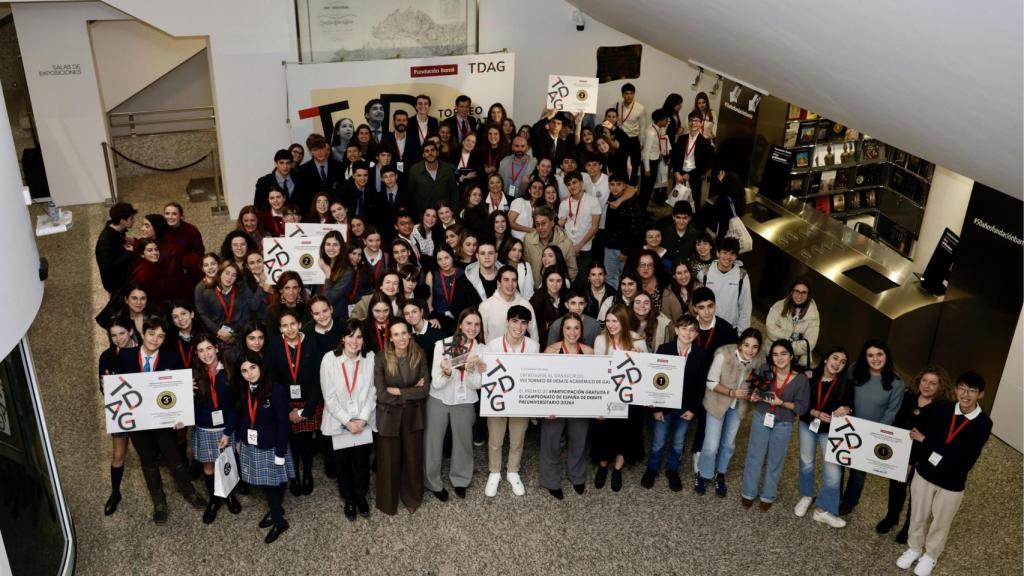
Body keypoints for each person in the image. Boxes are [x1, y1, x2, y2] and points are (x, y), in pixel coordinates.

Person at [895, 372, 992, 576]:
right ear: (956, 389)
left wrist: (927, 442)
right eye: (962, 389)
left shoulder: (983, 423)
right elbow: (939, 441)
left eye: (972, 391)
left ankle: (930, 556)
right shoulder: (943, 409)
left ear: (980, 395)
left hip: (952, 482)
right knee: (917, 515)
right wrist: (932, 445)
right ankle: (914, 548)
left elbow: (966, 457)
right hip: (925, 473)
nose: (966, 395)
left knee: (941, 521)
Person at [113, 317, 206, 523]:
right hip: (137, 422)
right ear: (143, 334)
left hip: (164, 420)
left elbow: (179, 390)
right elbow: (118, 387)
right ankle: (159, 502)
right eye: (152, 334)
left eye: (161, 336)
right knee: (148, 462)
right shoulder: (125, 356)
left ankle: (188, 491)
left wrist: (182, 404)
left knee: (175, 458)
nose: (155, 339)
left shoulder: (171, 359)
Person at [877, 366, 954, 542]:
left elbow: (937, 439)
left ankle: (908, 527)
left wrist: (912, 462)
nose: (927, 386)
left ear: (940, 387)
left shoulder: (943, 409)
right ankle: (892, 517)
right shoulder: (908, 397)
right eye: (924, 381)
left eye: (933, 383)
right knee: (895, 488)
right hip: (899, 453)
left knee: (917, 494)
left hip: (922, 458)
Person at [740, 338, 810, 511]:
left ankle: (768, 494)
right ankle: (748, 491)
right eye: (775, 355)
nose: (779, 358)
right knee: (754, 456)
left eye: (783, 354)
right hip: (761, 416)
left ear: (791, 356)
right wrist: (754, 396)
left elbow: (801, 408)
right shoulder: (765, 369)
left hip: (784, 423)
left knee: (775, 460)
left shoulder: (801, 380)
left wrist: (782, 403)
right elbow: (754, 390)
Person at [641, 314, 709, 491]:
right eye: (684, 328)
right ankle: (652, 468)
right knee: (658, 441)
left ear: (696, 334)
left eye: (692, 330)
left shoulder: (701, 355)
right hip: (663, 408)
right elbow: (654, 379)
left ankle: (672, 470)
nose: (688, 333)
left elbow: (701, 386)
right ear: (677, 330)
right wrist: (655, 408)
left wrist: (693, 410)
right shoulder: (664, 349)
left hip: (685, 409)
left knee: (678, 442)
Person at [232, 350, 294, 543]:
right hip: (252, 443)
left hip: (273, 445)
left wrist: (281, 452)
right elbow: (243, 417)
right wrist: (240, 440)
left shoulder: (276, 390)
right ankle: (277, 509)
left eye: (252, 367)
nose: (249, 373)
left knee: (272, 484)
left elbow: (284, 423)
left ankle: (279, 521)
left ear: (260, 366)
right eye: (244, 371)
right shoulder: (244, 389)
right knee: (269, 483)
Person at [426, 309, 487, 500]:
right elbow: (435, 382)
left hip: (465, 400)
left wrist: (470, 371)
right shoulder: (441, 345)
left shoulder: (482, 350)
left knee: (463, 442)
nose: (472, 328)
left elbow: (478, 384)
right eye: (468, 323)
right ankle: (432, 482)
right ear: (460, 324)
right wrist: (447, 372)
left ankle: (461, 479)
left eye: (477, 324)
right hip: (439, 398)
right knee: (433, 443)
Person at [319, 319, 376, 521]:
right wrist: (347, 421)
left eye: (359, 336)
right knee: (342, 463)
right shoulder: (329, 359)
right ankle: (349, 499)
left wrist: (362, 419)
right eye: (350, 335)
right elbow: (329, 397)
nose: (354, 341)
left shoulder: (370, 358)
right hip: (338, 421)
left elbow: (372, 391)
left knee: (361, 462)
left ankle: (361, 497)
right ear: (342, 338)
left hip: (362, 421)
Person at [840, 339, 905, 516]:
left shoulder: (896, 383)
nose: (875, 359)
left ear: (886, 356)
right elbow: (843, 391)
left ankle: (849, 502)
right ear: (864, 357)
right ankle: (834, 496)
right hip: (846, 427)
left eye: (879, 354)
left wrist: (873, 435)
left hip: (872, 434)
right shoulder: (855, 370)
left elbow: (891, 412)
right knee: (837, 465)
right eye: (870, 355)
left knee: (858, 473)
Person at [696, 328, 763, 497]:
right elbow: (711, 382)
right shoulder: (724, 355)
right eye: (746, 345)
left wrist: (756, 393)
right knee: (711, 444)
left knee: (729, 444)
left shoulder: (759, 361)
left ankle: (720, 474)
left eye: (755, 347)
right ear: (740, 344)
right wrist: (731, 392)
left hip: (739, 406)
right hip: (717, 402)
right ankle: (703, 474)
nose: (750, 350)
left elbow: (761, 385)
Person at [793, 347, 854, 528]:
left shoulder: (845, 384)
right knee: (806, 462)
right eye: (835, 358)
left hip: (831, 431)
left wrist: (847, 409)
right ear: (826, 359)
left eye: (843, 362)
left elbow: (851, 406)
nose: (838, 364)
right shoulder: (809, 377)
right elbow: (800, 404)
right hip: (808, 424)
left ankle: (823, 510)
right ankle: (806, 495)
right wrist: (816, 413)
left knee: (834, 471)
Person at [374, 319, 430, 515]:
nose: (401, 338)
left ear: (410, 334)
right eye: (396, 334)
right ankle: (388, 501)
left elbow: (424, 390)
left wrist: (398, 392)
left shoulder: (419, 354)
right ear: (390, 338)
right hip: (389, 416)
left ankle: (412, 497)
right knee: (388, 460)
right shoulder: (381, 358)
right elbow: (381, 394)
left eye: (404, 333)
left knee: (412, 457)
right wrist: (410, 392)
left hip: (413, 415)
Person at [483, 305, 540, 497]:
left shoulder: (533, 347)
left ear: (528, 325)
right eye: (515, 321)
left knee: (517, 439)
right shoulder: (493, 345)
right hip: (497, 399)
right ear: (507, 322)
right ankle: (495, 472)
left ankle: (513, 471)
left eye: (523, 322)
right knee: (495, 439)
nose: (519, 326)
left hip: (520, 401)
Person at [265, 310, 322, 497]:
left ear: (299, 324)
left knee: (306, 441)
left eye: (293, 324)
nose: (289, 329)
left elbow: (317, 379)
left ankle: (307, 473)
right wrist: (286, 409)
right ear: (280, 328)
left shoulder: (312, 343)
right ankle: (294, 475)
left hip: (308, 401)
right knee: (291, 442)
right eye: (284, 325)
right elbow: (272, 378)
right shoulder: (274, 346)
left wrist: (306, 410)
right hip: (285, 403)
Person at [591, 304, 648, 492]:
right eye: (608, 321)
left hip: (629, 396)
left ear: (623, 320)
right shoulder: (600, 340)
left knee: (626, 431)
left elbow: (645, 371)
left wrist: (640, 358)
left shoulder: (637, 340)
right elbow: (599, 369)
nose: (611, 325)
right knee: (604, 431)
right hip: (607, 393)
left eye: (615, 321)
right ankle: (603, 465)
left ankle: (617, 468)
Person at [540, 312, 594, 499]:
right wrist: (546, 408)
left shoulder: (588, 351)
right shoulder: (551, 351)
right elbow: (544, 382)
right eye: (568, 328)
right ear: (562, 330)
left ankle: (577, 476)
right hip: (555, 405)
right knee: (551, 442)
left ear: (581, 330)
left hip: (579, 405)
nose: (572, 332)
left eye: (576, 328)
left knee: (578, 441)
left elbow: (593, 382)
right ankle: (550, 480)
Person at [190, 334, 241, 523]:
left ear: (217, 349)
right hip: (204, 429)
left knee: (226, 462)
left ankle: (228, 494)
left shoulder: (229, 372)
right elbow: (187, 407)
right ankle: (214, 499)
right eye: (201, 350)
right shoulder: (193, 376)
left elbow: (236, 406)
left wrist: (228, 432)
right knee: (209, 465)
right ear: (196, 353)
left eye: (209, 348)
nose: (206, 354)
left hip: (225, 428)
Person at [98, 316, 136, 515]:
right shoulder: (106, 356)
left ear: (130, 331)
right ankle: (115, 493)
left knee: (150, 456)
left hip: (144, 413)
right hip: (121, 412)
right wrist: (106, 387)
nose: (118, 339)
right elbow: (103, 388)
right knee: (118, 455)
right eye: (113, 335)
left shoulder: (144, 350)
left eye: (122, 333)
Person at [195, 261, 259, 348]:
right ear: (220, 273)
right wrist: (218, 331)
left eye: (233, 275)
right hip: (216, 336)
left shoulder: (241, 292)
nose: (229, 278)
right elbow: (205, 316)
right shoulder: (208, 293)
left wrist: (231, 332)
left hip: (238, 335)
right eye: (227, 273)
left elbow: (246, 316)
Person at [765, 278, 820, 368]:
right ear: (791, 292)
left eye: (804, 292)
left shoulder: (813, 314)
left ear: (808, 295)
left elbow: (809, 344)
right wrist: (792, 337)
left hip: (797, 361)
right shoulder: (778, 306)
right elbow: (770, 330)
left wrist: (785, 347)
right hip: (773, 354)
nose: (799, 295)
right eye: (797, 291)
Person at [602, 173, 643, 287]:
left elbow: (635, 229)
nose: (615, 187)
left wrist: (625, 251)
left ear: (624, 186)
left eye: (618, 184)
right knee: (609, 278)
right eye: (612, 184)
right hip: (609, 246)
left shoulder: (633, 203)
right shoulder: (610, 197)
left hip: (623, 249)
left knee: (628, 279)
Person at [558, 170, 602, 277]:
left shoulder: (593, 201)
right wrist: (560, 223)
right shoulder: (564, 204)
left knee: (584, 278)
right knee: (568, 278)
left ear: (581, 183)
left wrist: (579, 245)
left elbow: (595, 227)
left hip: (585, 247)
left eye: (574, 182)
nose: (572, 186)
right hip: (568, 247)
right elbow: (561, 226)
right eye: (568, 184)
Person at [478, 265, 539, 342]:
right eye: (506, 280)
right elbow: (482, 338)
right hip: (493, 353)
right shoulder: (485, 306)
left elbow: (534, 336)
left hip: (518, 353)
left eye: (514, 280)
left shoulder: (525, 305)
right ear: (498, 283)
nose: (510, 284)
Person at [703, 237, 750, 334]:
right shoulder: (706, 272)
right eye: (725, 252)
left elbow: (745, 308)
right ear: (717, 253)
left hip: (730, 329)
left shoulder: (742, 276)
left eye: (732, 253)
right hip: (708, 326)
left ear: (736, 256)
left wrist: (741, 334)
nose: (728, 257)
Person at [523, 206, 578, 288]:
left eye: (544, 223)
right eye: (537, 224)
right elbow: (524, 265)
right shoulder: (528, 240)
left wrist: (560, 286)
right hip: (534, 291)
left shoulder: (566, 243)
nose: (540, 228)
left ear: (552, 223)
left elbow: (572, 269)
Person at [671, 109, 713, 212]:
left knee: (692, 207)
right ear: (688, 122)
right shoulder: (682, 139)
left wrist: (690, 175)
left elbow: (706, 164)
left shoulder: (705, 143)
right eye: (691, 120)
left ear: (701, 123)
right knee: (676, 204)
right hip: (679, 175)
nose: (693, 123)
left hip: (694, 177)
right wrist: (676, 172)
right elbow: (674, 157)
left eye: (697, 120)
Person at [95, 202, 138, 295]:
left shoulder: (117, 231)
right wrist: (129, 253)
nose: (133, 220)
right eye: (131, 218)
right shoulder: (106, 241)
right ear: (122, 221)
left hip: (123, 274)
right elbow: (107, 266)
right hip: (116, 283)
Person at [408, 141, 460, 213]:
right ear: (423, 155)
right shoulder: (415, 170)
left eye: (432, 150)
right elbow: (411, 193)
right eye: (427, 151)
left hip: (443, 213)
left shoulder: (447, 168)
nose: (430, 153)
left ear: (437, 152)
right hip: (424, 214)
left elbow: (454, 191)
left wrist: (453, 210)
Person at [640, 108, 673, 212]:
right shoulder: (651, 133)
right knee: (646, 189)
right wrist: (647, 169)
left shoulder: (657, 128)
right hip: (649, 163)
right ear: (660, 120)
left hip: (654, 161)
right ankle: (641, 211)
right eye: (666, 120)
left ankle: (643, 209)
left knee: (648, 188)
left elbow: (662, 138)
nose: (667, 121)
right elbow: (646, 152)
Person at [296, 133, 345, 201]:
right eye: (315, 150)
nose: (319, 152)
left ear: (326, 148)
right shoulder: (303, 170)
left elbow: (342, 191)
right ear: (311, 152)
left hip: (335, 208)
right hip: (313, 209)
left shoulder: (338, 166)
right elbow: (302, 196)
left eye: (321, 148)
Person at [615, 83, 646, 185]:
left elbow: (643, 127)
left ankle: (632, 189)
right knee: (620, 164)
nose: (628, 96)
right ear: (622, 94)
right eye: (626, 93)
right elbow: (611, 120)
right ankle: (621, 188)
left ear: (634, 94)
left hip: (633, 140)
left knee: (634, 166)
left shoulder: (640, 108)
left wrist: (641, 143)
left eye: (631, 93)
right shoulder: (617, 105)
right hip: (620, 140)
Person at [530, 266, 567, 348]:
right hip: (544, 343)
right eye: (551, 280)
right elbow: (533, 326)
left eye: (558, 281)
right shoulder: (537, 298)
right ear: (545, 281)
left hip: (564, 342)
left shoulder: (567, 296)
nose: (555, 284)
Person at [402, 299, 444, 366]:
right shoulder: (407, 332)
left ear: (421, 312)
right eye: (407, 314)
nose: (411, 316)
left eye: (414, 312)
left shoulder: (437, 332)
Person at [661, 260, 701, 325]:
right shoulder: (667, 293)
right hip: (678, 333)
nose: (683, 276)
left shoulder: (699, 287)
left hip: (698, 330)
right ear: (674, 276)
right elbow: (666, 320)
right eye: (679, 273)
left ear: (690, 272)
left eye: (686, 272)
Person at [662, 201, 698, 266]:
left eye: (685, 218)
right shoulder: (664, 232)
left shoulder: (696, 235)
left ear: (690, 218)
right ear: (673, 217)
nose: (681, 222)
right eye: (678, 217)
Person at [409, 94, 439, 159]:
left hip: (430, 157)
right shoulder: (409, 122)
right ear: (416, 106)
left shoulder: (434, 121)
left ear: (429, 106)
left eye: (425, 104)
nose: (423, 106)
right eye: (420, 103)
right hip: (413, 158)